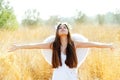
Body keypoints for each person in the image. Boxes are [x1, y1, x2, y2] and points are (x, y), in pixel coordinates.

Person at [8, 23, 114, 80]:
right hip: (58, 77)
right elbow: (35, 45)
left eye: (65, 27)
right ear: (57, 32)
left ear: (68, 31)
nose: (62, 28)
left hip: (72, 76)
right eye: (60, 28)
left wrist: (108, 45)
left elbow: (92, 44)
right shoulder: (53, 45)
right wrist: (19, 47)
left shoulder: (74, 44)